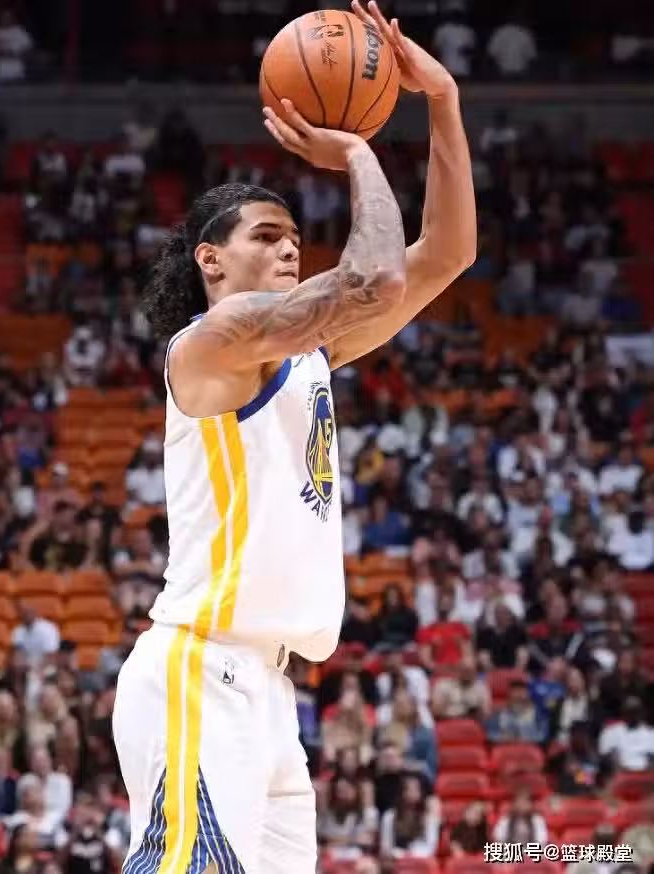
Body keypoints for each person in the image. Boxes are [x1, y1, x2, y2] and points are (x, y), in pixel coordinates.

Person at [111, 2, 477, 873]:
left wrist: (445, 103)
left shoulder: (306, 351)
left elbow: (446, 255)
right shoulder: (211, 343)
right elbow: (377, 274)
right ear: (210, 259)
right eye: (267, 236)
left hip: (272, 693)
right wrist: (357, 152)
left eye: (294, 239)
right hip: (201, 673)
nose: (287, 250)